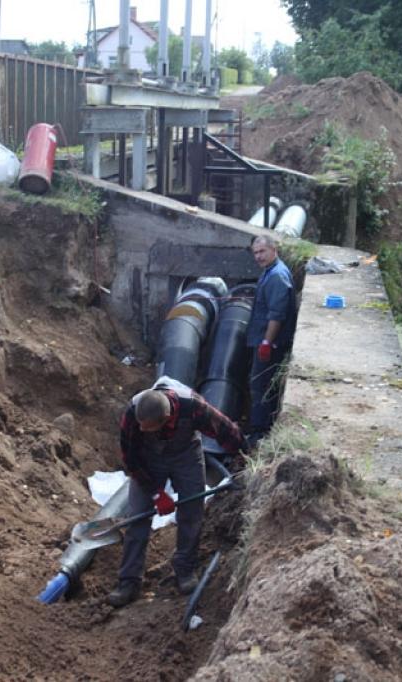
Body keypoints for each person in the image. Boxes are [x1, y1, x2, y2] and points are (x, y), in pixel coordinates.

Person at [107, 376, 245, 608]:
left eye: (146, 427)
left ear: (165, 419)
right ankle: (128, 581)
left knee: (192, 512)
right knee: (137, 518)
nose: (141, 429)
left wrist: (245, 458)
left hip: (186, 455)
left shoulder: (193, 407)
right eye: (140, 425)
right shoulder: (133, 413)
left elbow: (226, 430)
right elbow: (130, 458)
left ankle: (185, 569)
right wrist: (156, 494)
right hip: (147, 459)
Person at [245, 234, 297, 445]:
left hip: (271, 344)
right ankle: (259, 428)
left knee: (261, 386)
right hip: (264, 340)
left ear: (273, 250)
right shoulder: (270, 272)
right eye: (255, 253)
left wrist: (267, 342)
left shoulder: (277, 276)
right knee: (261, 384)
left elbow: (277, 314)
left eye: (262, 252)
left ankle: (260, 434)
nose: (258, 257)